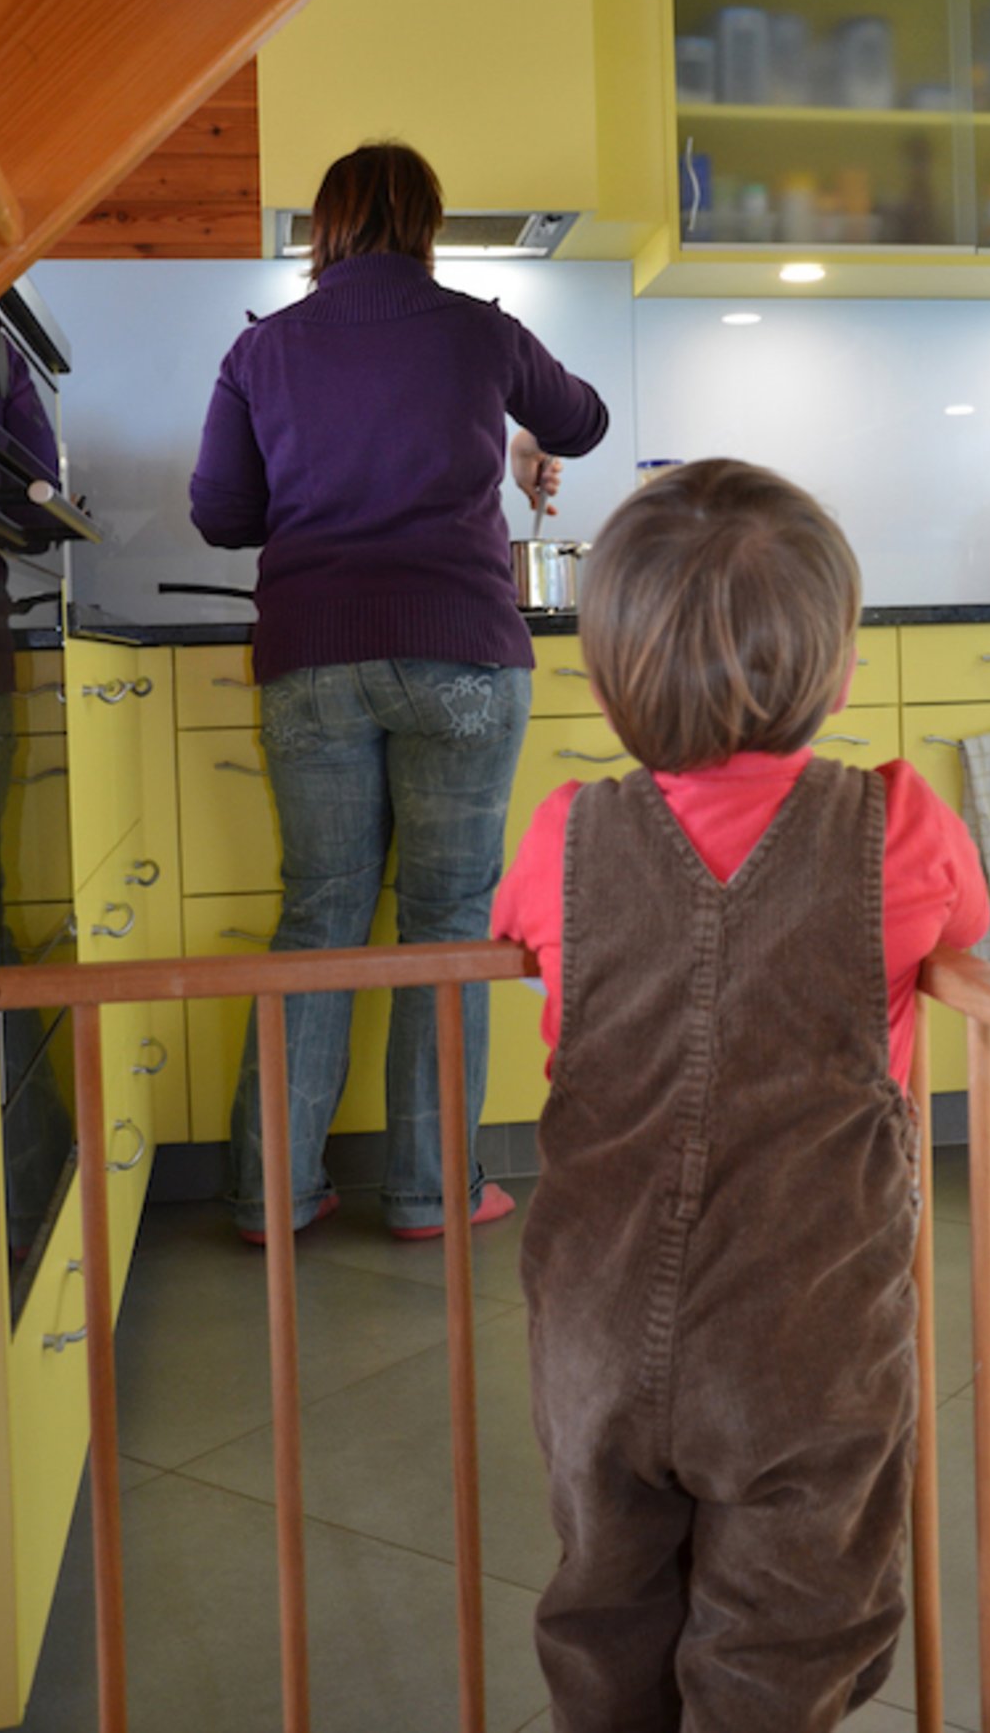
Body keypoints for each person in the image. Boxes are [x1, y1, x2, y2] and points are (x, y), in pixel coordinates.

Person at [492, 459, 990, 1733]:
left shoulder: (563, 834)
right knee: (789, 1623)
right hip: (807, 1329)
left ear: (606, 682)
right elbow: (966, 928)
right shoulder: (897, 825)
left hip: (595, 1322)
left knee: (602, 1601)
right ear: (838, 673)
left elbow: (523, 941)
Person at [189, 139, 609, 1241]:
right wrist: (518, 430)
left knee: (319, 921)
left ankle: (272, 1193)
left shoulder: (262, 349)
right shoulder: (480, 329)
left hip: (312, 657)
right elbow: (584, 421)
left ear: (324, 227)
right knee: (446, 924)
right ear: (426, 225)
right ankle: (432, 1191)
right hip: (460, 651)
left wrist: (313, 486)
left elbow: (222, 514)